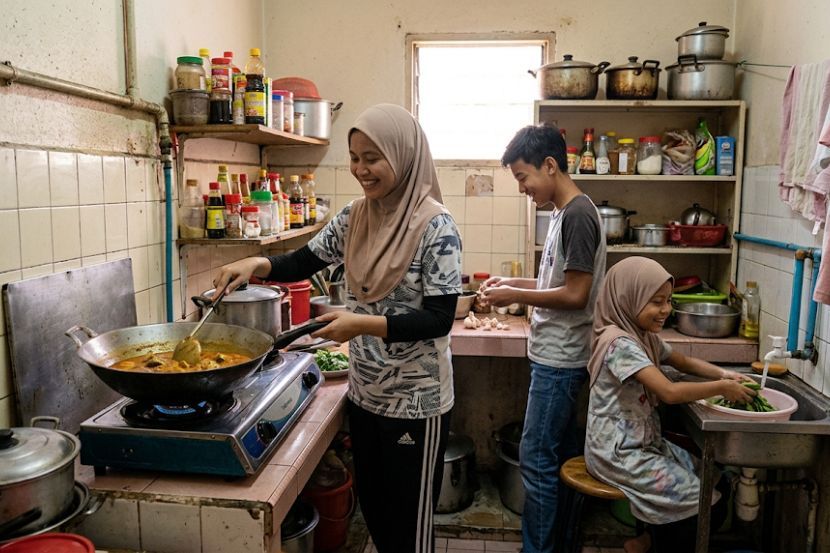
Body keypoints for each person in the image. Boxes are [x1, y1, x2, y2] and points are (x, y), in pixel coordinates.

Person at [213, 104, 462, 553]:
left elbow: (439, 319)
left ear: (404, 157)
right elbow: (305, 260)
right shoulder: (355, 216)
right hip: (365, 394)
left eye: (373, 157)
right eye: (354, 156)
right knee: (377, 512)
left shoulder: (436, 226)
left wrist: (358, 324)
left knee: (409, 527)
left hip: (416, 403)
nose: (360, 169)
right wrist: (256, 263)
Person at [479, 124, 606, 553]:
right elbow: (560, 279)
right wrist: (513, 280)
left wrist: (514, 294)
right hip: (555, 356)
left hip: (561, 359)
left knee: (536, 461)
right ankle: (562, 543)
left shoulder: (579, 216)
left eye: (522, 177)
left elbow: (576, 294)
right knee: (561, 459)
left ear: (550, 165)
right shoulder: (561, 213)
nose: (522, 188)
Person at [585, 256, 755, 553]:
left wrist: (725, 373)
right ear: (629, 298)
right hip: (618, 453)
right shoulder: (619, 344)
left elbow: (682, 360)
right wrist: (722, 388)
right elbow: (668, 392)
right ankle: (659, 546)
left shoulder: (644, 337)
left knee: (718, 481)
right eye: (656, 302)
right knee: (707, 504)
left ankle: (648, 542)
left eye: (668, 301)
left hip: (644, 444)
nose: (665, 310)